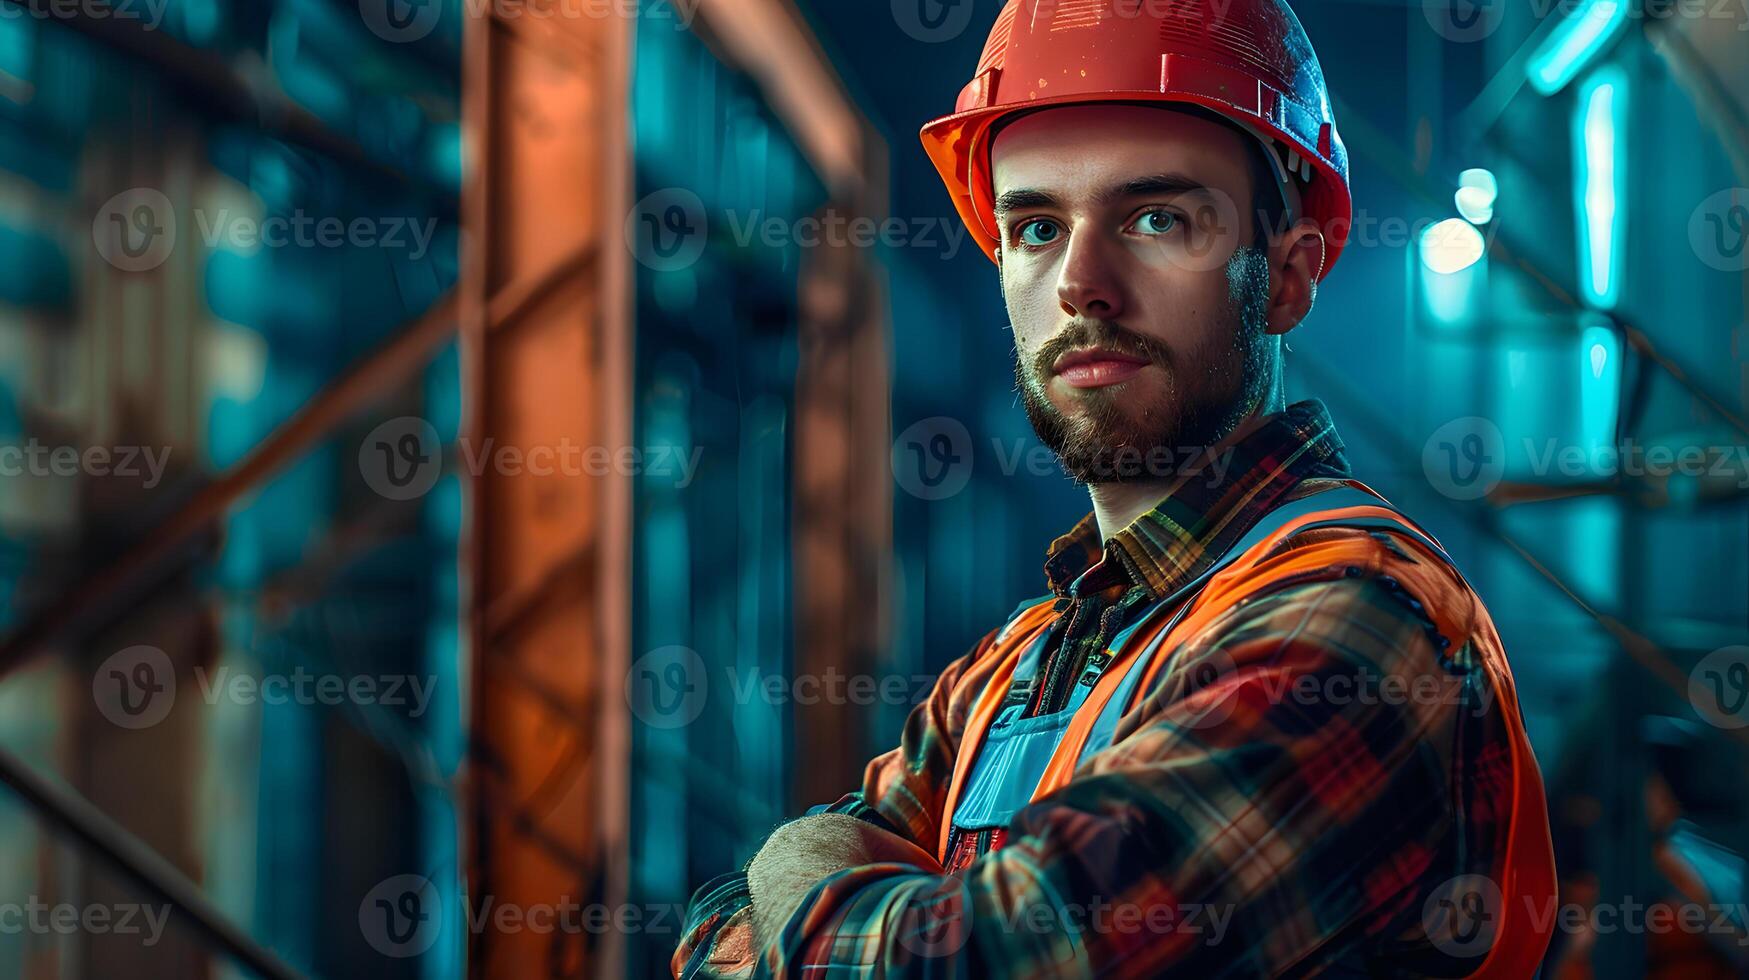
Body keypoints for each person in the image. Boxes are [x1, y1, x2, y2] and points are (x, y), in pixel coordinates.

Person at [673, 1, 1557, 976]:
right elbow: (707, 944)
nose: (1081, 281)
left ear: (1292, 275)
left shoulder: (1356, 622)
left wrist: (795, 860)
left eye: (1156, 216)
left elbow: (978, 964)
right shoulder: (1018, 661)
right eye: (1038, 225)